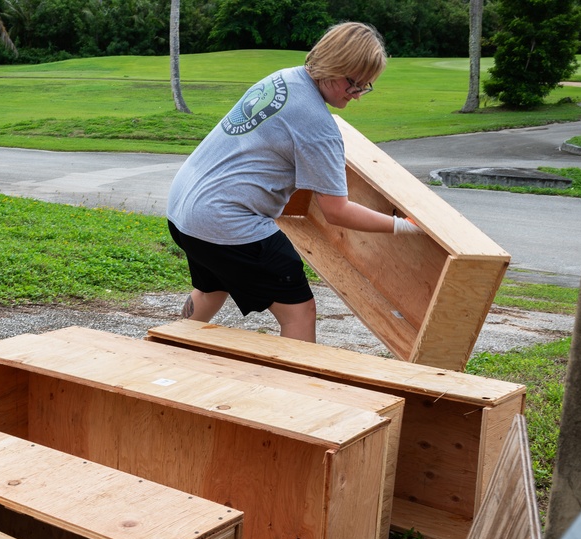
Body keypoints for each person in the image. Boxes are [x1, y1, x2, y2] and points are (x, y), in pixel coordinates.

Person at [166, 21, 422, 343]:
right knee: (299, 310)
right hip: (225, 221)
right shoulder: (318, 125)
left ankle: (165, 348)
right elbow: (336, 211)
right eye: (355, 84)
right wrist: (402, 225)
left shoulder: (283, 79)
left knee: (213, 286)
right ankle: (297, 389)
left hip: (183, 210)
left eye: (365, 87)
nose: (357, 96)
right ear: (334, 66)